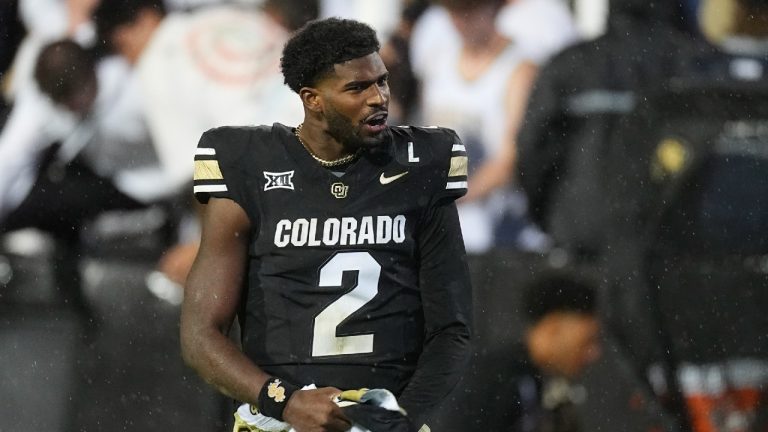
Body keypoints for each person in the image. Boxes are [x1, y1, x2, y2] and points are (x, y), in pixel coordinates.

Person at [180, 17, 473, 432]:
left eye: (382, 82)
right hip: (278, 420)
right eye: (357, 88)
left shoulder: (422, 162)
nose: (378, 98)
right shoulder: (246, 161)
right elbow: (200, 336)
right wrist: (284, 402)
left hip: (387, 415)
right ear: (312, 99)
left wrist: (398, 423)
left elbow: (452, 331)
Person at [485, 273, 601, 432]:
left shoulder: (538, 383)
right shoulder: (494, 380)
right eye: (586, 341)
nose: (593, 353)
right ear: (553, 328)